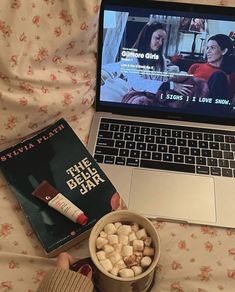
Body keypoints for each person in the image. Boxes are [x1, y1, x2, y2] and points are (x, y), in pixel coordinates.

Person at [101, 21, 193, 102]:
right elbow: (137, 84)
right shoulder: (131, 57)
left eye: (163, 40)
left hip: (148, 93)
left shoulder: (162, 59)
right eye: (158, 38)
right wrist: (171, 85)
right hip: (123, 89)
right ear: (147, 37)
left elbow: (162, 79)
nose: (160, 43)